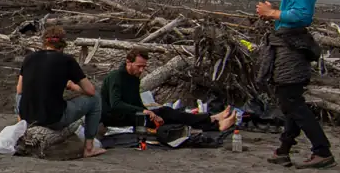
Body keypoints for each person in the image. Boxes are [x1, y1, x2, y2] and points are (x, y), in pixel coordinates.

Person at [252, 0, 334, 167]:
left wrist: (272, 13)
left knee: (290, 101)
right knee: (291, 99)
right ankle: (284, 150)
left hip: (292, 46)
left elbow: (302, 15)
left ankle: (322, 150)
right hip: (291, 43)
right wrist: (275, 12)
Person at [99, 49, 239, 140]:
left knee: (166, 115)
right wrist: (144, 111)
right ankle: (213, 121)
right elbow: (115, 104)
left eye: (144, 67)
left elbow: (137, 103)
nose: (141, 70)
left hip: (131, 114)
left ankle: (213, 121)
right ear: (128, 62)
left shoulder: (134, 79)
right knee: (168, 113)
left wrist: (149, 113)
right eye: (139, 66)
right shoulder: (115, 77)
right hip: (114, 118)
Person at [17, 23, 106, 157]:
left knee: (19, 96)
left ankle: (22, 128)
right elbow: (90, 91)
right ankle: (89, 148)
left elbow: (19, 89)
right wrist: (72, 86)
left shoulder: (29, 58)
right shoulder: (67, 60)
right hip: (54, 118)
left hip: (28, 116)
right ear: (63, 44)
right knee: (95, 99)